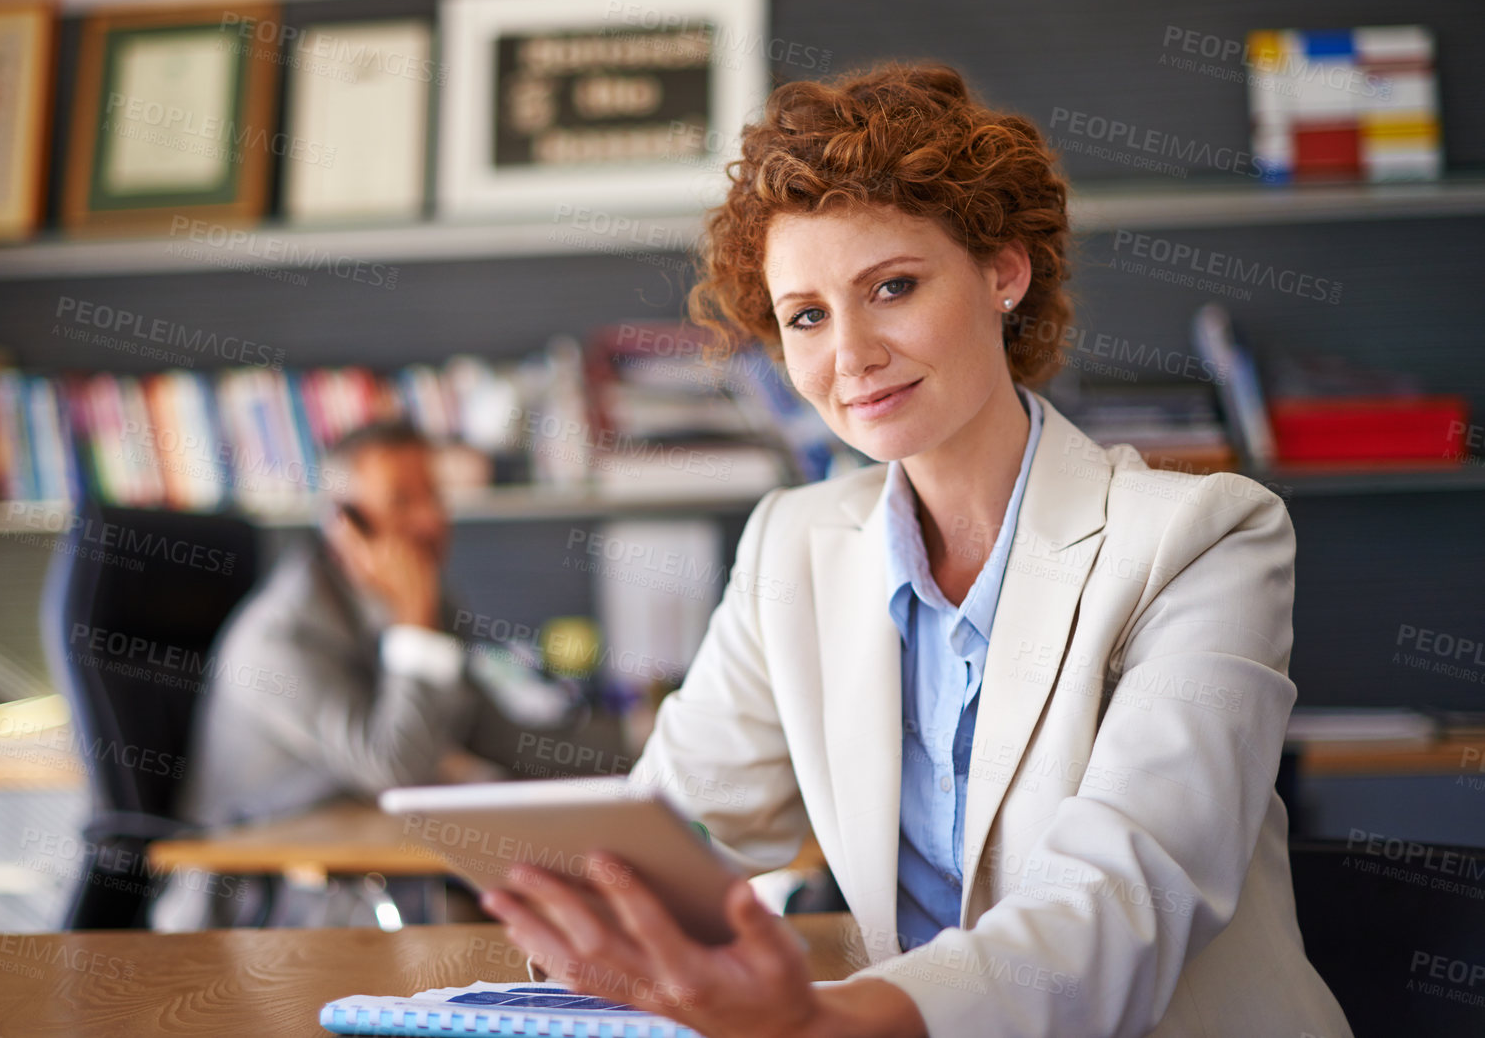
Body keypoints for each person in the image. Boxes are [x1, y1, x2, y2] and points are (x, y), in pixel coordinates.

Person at [479, 63, 1354, 1037]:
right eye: (806, 315)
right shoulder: (794, 549)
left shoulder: (1202, 538)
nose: (849, 354)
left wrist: (836, 1021)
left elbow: (1124, 905)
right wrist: (593, 917)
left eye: (891, 287)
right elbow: (678, 830)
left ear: (1003, 273)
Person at [153, 420, 620, 929]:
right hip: (262, 898)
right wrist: (416, 625)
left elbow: (502, 738)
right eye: (403, 500)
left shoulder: (423, 603)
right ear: (345, 523)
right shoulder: (283, 638)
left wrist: (656, 744)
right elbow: (397, 767)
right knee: (499, 920)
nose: (431, 519)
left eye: (435, 496)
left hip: (366, 871)